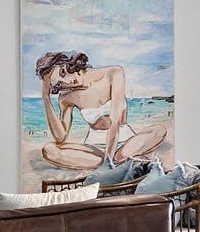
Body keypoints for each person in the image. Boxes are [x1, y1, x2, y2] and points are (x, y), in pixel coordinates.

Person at [35, 50, 167, 173]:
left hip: (126, 140)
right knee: (49, 150)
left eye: (63, 72)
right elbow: (60, 137)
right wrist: (45, 98)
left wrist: (108, 160)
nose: (68, 81)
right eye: (60, 84)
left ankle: (114, 158)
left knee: (159, 130)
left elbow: (115, 122)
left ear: (66, 63)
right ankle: (118, 159)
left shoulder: (113, 73)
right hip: (95, 148)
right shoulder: (66, 97)